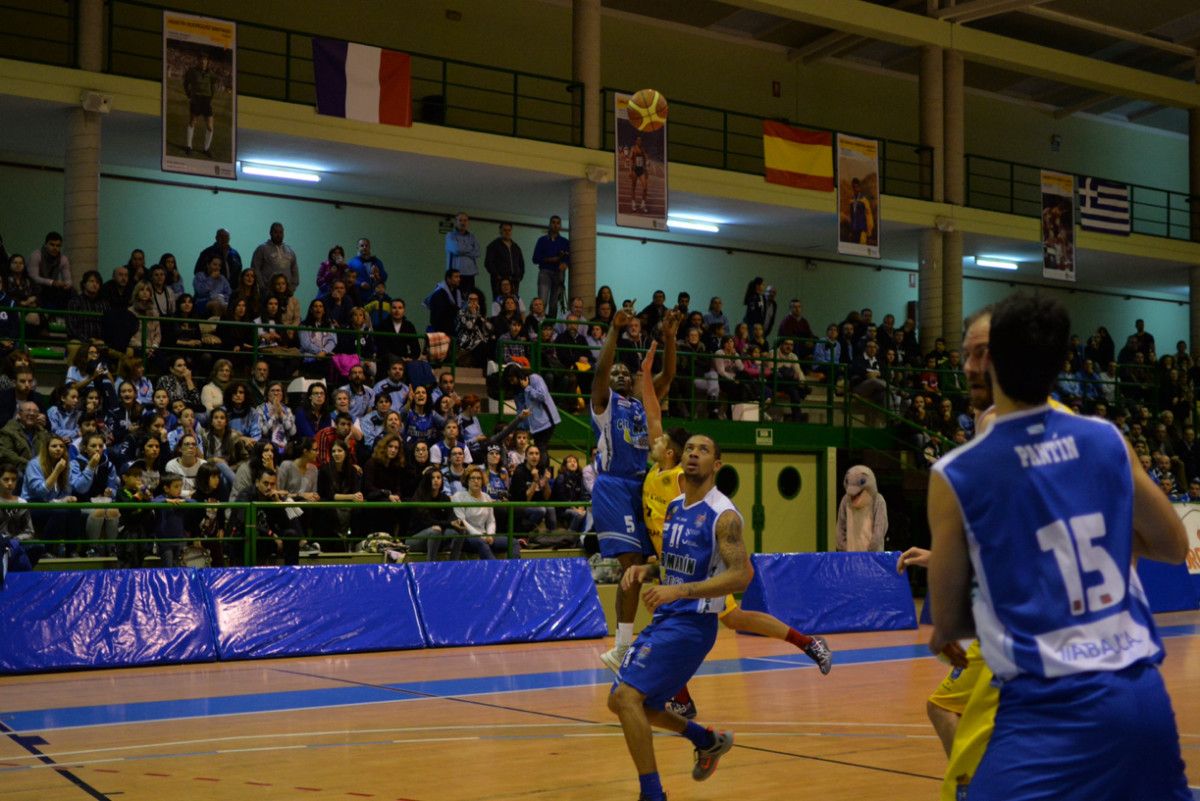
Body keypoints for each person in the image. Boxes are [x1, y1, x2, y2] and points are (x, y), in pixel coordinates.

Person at [927, 292, 1190, 801]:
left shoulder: (959, 473)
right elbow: (1174, 546)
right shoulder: (1107, 439)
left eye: (982, 352)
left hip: (1047, 708)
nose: (974, 364)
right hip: (1138, 695)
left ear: (1000, 360)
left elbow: (951, 619)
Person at [607, 433, 753, 801]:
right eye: (689, 448)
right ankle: (706, 741)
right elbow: (673, 565)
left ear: (716, 465)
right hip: (667, 618)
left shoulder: (725, 515)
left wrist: (678, 591)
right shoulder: (674, 506)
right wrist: (647, 570)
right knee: (631, 704)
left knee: (627, 699)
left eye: (703, 450)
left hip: (694, 624)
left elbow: (741, 575)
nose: (693, 454)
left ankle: (652, 794)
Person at [594, 307, 679, 673]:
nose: (620, 374)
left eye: (625, 371)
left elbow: (668, 375)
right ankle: (621, 647)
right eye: (616, 371)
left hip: (641, 485)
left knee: (650, 565)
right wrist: (614, 332)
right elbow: (601, 372)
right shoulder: (604, 403)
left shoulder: (641, 404)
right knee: (630, 565)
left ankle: (645, 639)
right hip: (613, 485)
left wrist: (671, 338)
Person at [835, 465, 887, 551]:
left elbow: (879, 530)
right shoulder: (846, 500)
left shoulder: (878, 500)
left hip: (872, 558)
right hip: (851, 557)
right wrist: (845, 549)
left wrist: (869, 552)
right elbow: (840, 527)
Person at [182, 50, 218, 156]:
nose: (203, 62)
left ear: (207, 62)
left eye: (205, 60)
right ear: (198, 61)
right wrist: (189, 95)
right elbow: (185, 83)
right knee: (192, 122)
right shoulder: (192, 71)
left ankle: (206, 149)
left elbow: (213, 87)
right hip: (196, 99)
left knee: (210, 126)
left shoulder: (211, 74)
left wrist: (210, 97)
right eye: (201, 60)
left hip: (206, 100)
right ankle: (189, 146)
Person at [532, 215, 569, 316]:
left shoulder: (564, 242)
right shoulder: (542, 240)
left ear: (560, 226)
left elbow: (569, 257)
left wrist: (565, 263)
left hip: (559, 273)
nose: (555, 225)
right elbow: (535, 259)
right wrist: (550, 259)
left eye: (558, 223)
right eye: (553, 222)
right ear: (549, 224)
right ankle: (539, 324)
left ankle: (550, 327)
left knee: (554, 304)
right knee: (542, 301)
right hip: (545, 272)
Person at [251, 222, 299, 292]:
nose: (278, 235)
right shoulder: (262, 249)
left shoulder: (290, 250)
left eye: (281, 232)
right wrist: (262, 287)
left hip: (286, 292)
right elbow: (255, 268)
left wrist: (292, 288)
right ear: (270, 233)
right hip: (268, 292)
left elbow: (295, 271)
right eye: (275, 232)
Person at [484, 221, 525, 300]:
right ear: (500, 231)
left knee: (513, 302)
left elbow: (521, 263)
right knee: (499, 302)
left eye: (509, 230)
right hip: (499, 281)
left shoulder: (516, 247)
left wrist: (520, 276)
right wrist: (497, 276)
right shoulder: (493, 245)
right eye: (505, 230)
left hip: (514, 281)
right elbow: (488, 263)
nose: (507, 232)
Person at [444, 212, 480, 296]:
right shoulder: (450, 236)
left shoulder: (472, 236)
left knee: (469, 299)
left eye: (465, 220)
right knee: (455, 298)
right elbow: (456, 249)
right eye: (460, 220)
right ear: (456, 221)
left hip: (470, 274)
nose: (463, 223)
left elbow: (477, 252)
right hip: (455, 274)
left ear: (468, 222)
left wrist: (462, 249)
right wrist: (470, 248)